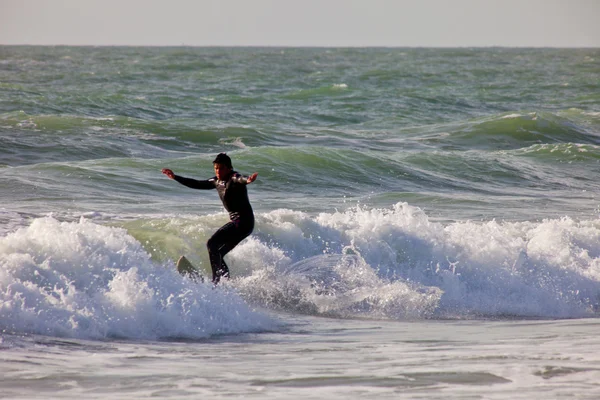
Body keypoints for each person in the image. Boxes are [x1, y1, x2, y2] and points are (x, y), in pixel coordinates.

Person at [162, 153, 258, 284]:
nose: (218, 171)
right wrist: (175, 177)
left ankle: (216, 282)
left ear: (229, 168)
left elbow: (240, 179)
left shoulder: (233, 178)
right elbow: (196, 183)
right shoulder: (216, 181)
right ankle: (225, 283)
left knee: (211, 244)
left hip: (243, 222)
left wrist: (248, 180)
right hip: (243, 225)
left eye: (221, 168)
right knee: (218, 253)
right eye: (216, 168)